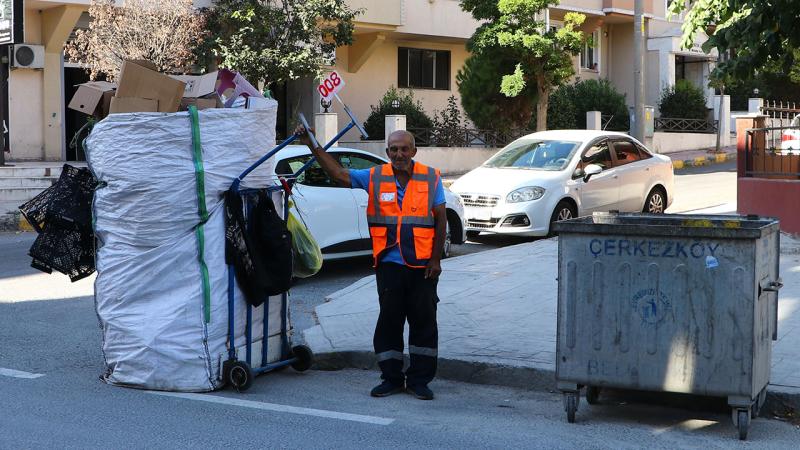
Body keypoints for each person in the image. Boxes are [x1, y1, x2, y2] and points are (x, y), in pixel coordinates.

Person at [296, 126, 447, 400]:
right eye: (393, 149)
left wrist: (436, 259)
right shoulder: (375, 176)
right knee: (389, 322)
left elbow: (441, 219)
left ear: (414, 151)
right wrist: (312, 144)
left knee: (424, 323)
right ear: (387, 152)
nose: (399, 153)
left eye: (404, 149)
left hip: (423, 265)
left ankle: (419, 380)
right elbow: (339, 174)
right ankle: (390, 378)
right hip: (389, 264)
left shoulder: (430, 177)